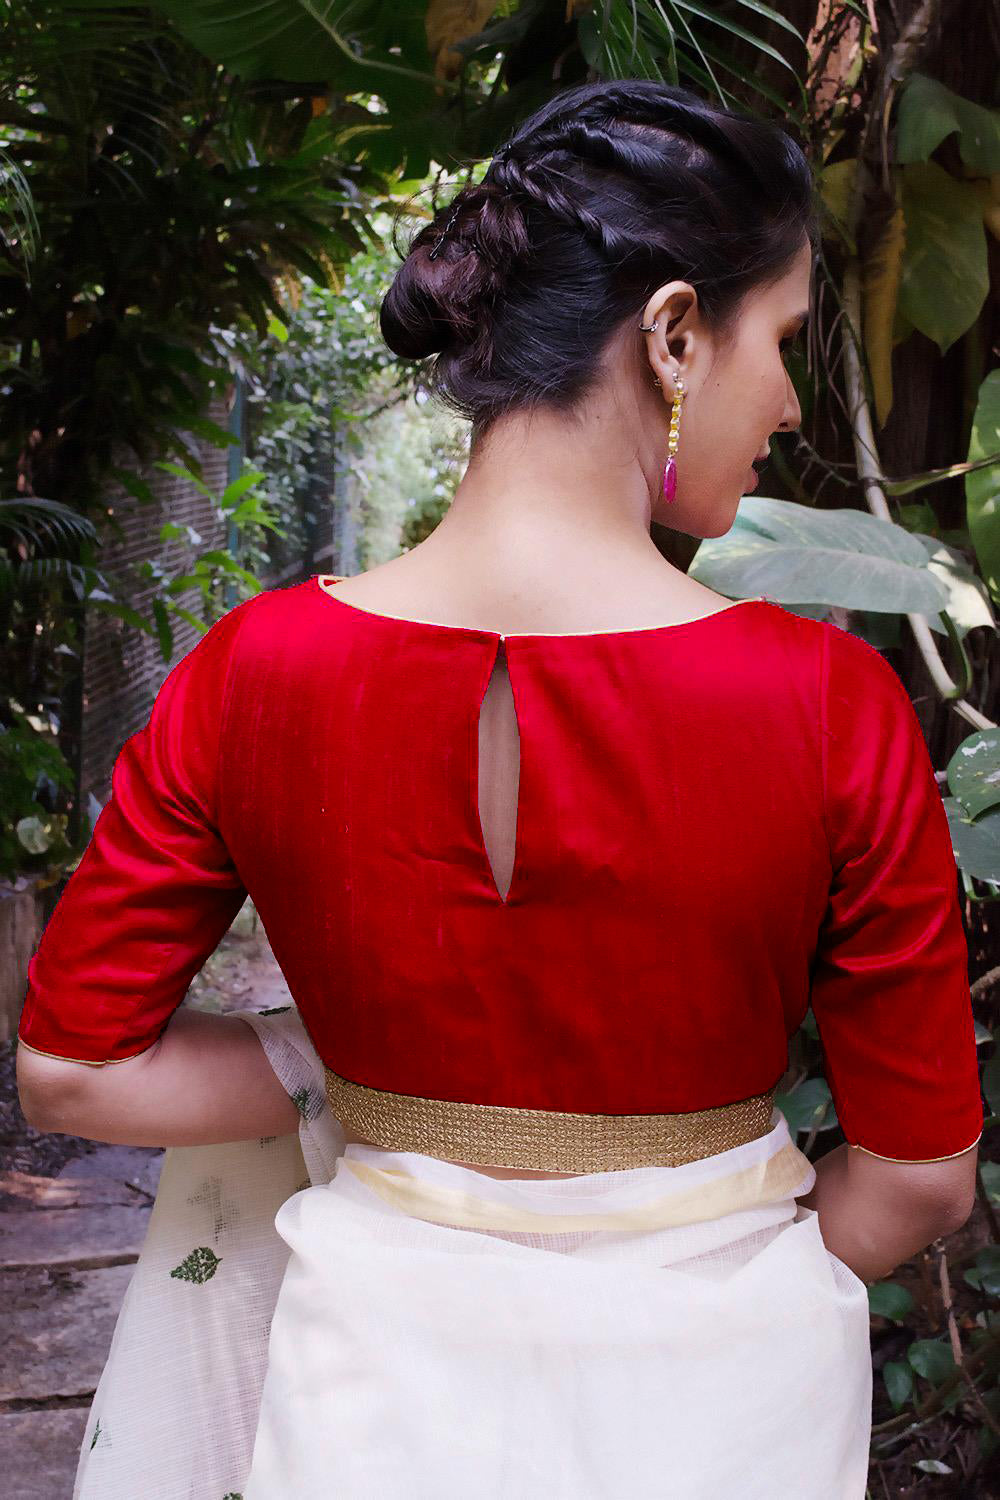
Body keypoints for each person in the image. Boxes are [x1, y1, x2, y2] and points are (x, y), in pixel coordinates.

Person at [15, 78, 983, 1500]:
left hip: (372, 1395)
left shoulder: (252, 671)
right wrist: (704, 1284)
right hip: (733, 1413)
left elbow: (74, 1070)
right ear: (671, 332)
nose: (784, 402)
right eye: (777, 341)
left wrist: (311, 1071)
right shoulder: (828, 704)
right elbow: (918, 1183)